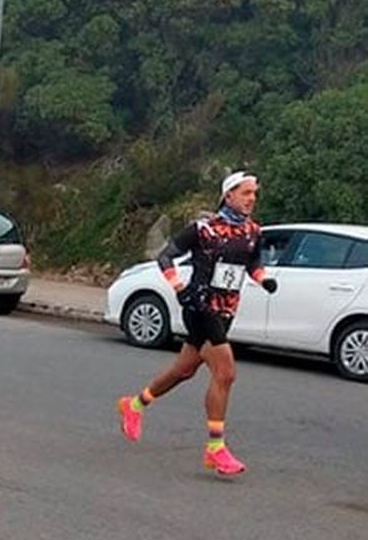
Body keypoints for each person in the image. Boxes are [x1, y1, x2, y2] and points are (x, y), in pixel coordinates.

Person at [116, 172, 278, 476]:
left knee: (184, 370)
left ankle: (135, 404)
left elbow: (253, 262)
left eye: (254, 194)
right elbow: (166, 257)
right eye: (245, 193)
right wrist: (179, 287)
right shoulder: (203, 230)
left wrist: (263, 279)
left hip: (226, 310)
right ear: (228, 195)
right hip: (199, 306)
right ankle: (215, 448)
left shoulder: (253, 231)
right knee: (226, 372)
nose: (251, 199)